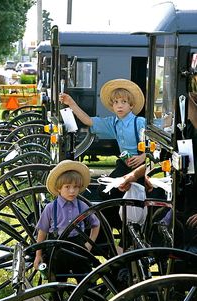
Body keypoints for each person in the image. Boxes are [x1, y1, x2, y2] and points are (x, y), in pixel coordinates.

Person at [60, 78, 146, 230]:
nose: (119, 105)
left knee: (122, 195)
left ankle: (129, 225)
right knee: (104, 190)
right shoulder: (113, 122)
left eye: (124, 102)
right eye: (116, 102)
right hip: (124, 165)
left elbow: (155, 145)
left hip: (141, 168)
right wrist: (71, 103)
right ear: (112, 106)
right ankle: (120, 224)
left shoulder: (139, 122)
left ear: (131, 105)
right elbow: (88, 121)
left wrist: (143, 156)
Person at [33, 159, 100, 282]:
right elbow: (42, 231)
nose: (72, 191)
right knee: (57, 282)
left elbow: (96, 224)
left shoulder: (82, 206)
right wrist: (38, 255)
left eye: (75, 187)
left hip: (78, 246)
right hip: (57, 248)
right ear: (59, 188)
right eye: (67, 187)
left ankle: (89, 298)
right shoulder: (50, 208)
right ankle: (58, 298)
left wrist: (89, 244)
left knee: (86, 280)